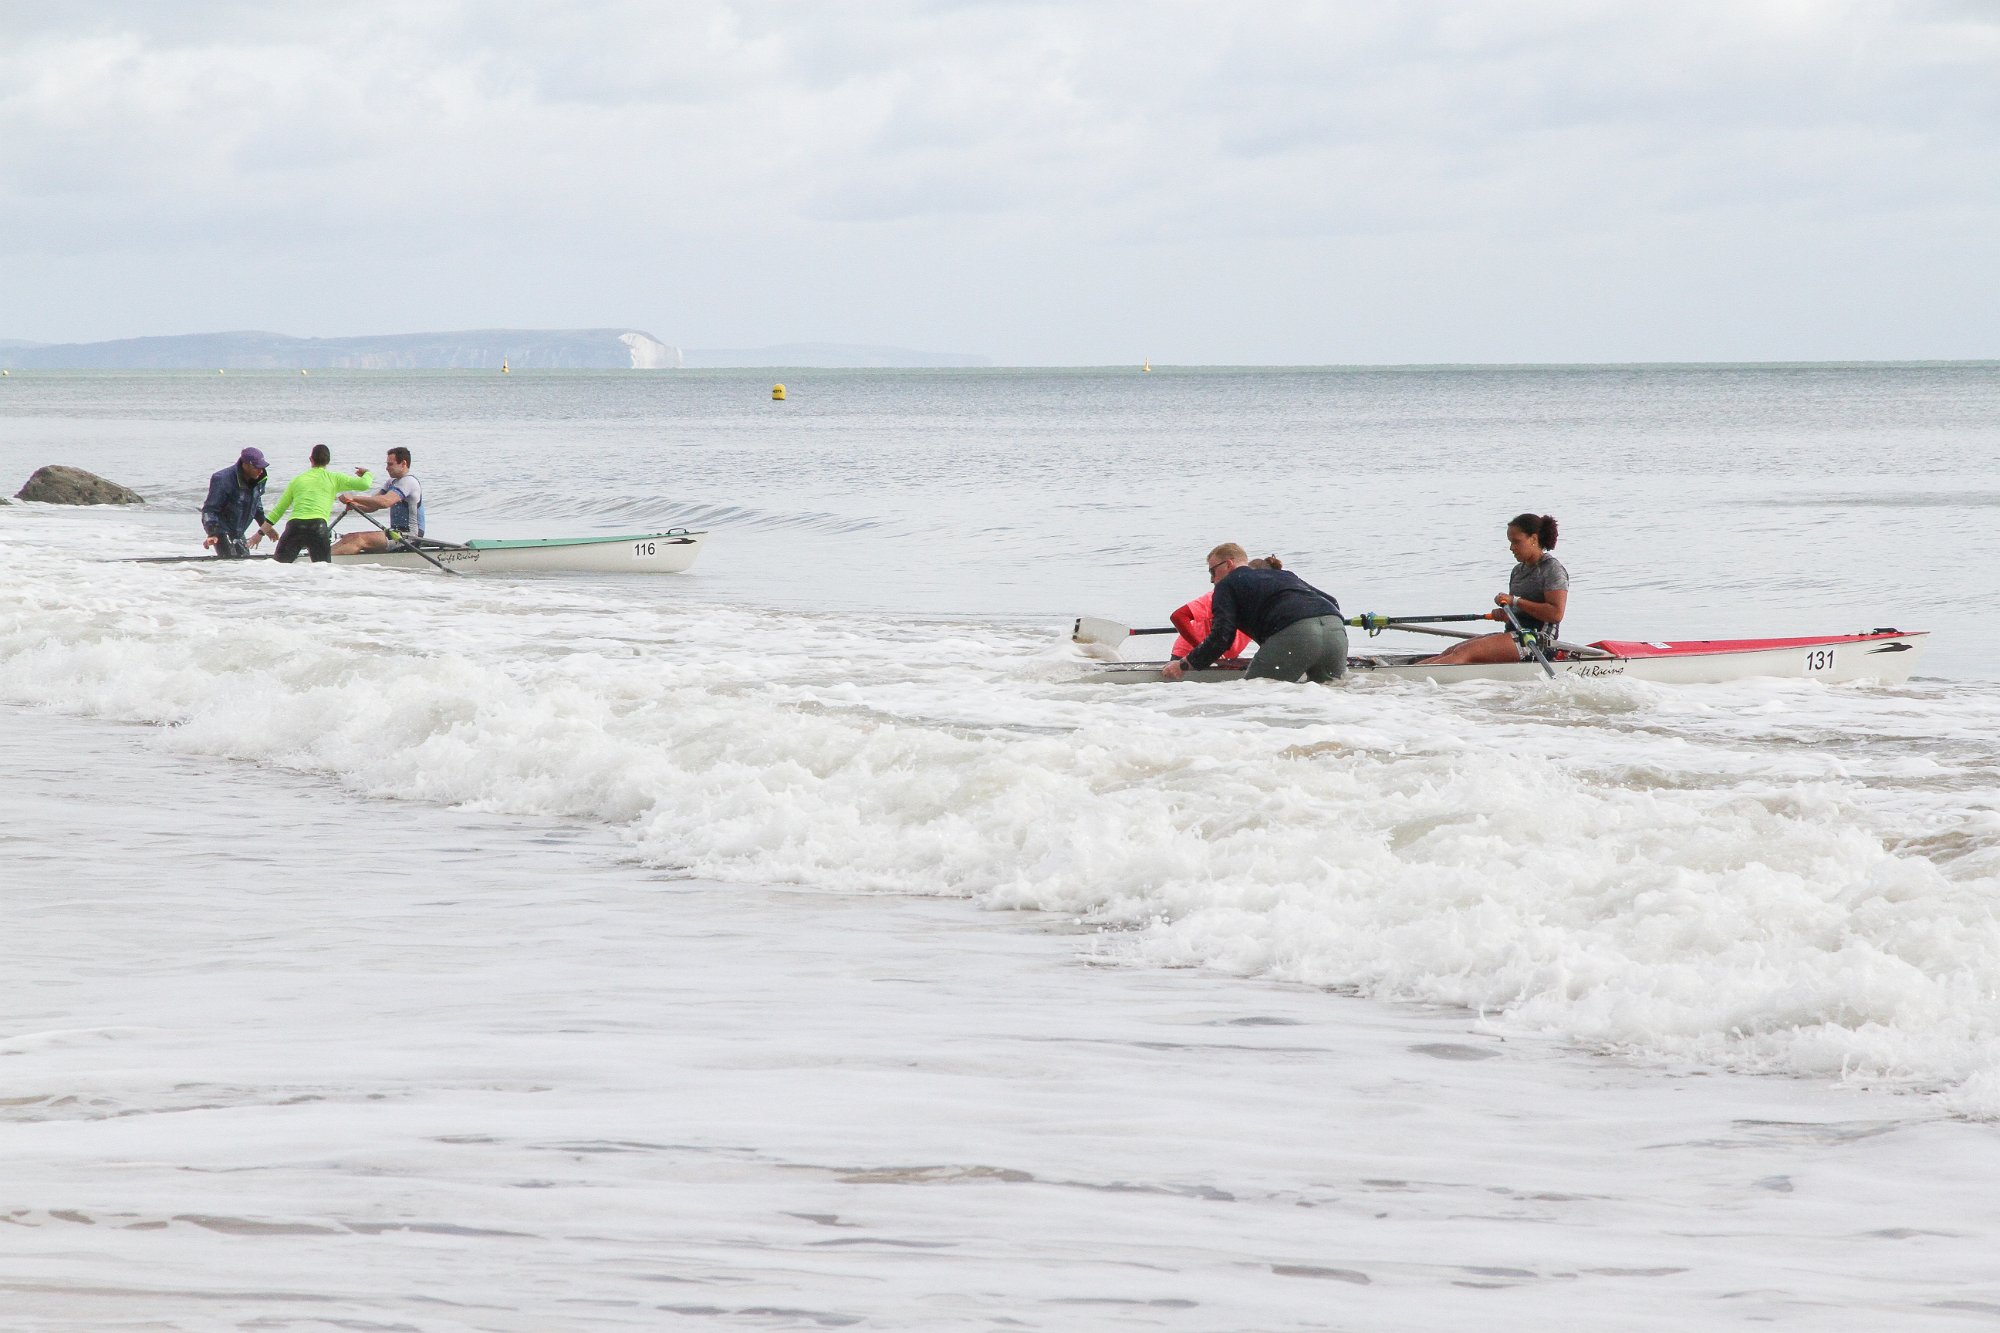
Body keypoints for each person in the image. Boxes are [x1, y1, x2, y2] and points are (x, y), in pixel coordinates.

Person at [1161, 544, 1347, 683]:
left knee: (1254, 698)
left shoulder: (1227, 585)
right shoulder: (1284, 575)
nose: (1212, 579)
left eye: (1212, 571)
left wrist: (1184, 664)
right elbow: (1332, 601)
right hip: (1335, 630)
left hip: (1297, 634)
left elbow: (1222, 637)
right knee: (1329, 695)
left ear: (1228, 564)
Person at [1418, 513, 1569, 666]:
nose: (1511, 548)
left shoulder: (1552, 569)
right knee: (1451, 651)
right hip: (1516, 635)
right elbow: (1521, 611)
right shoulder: (1518, 571)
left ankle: (1416, 677)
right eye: (1510, 542)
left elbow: (1555, 614)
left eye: (1516, 542)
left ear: (1534, 539)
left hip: (1539, 641)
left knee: (1465, 653)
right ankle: (1408, 674)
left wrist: (1515, 601)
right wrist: (1506, 614)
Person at [264, 444, 372, 564]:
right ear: (328, 461)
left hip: (295, 527)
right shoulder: (334, 478)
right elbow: (364, 485)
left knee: (278, 567)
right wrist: (367, 473)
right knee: (323, 570)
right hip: (318, 527)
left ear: (311, 459)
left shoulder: (297, 480)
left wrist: (260, 533)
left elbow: (279, 510)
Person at [332, 447, 425, 556]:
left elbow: (385, 502)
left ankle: (323, 563)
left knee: (359, 539)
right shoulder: (391, 482)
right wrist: (353, 505)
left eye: (390, 464)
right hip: (395, 533)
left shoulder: (409, 481)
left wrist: (354, 497)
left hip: (410, 537)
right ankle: (318, 559)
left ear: (403, 463)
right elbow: (372, 506)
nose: (386, 468)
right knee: (349, 537)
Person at [200, 447, 279, 558]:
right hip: (221, 529)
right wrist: (212, 533)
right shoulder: (222, 479)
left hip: (238, 530)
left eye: (262, 467)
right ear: (245, 465)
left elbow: (257, 504)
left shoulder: (260, 478)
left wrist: (264, 526)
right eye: (256, 467)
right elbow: (209, 510)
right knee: (231, 562)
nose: (260, 470)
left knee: (245, 561)